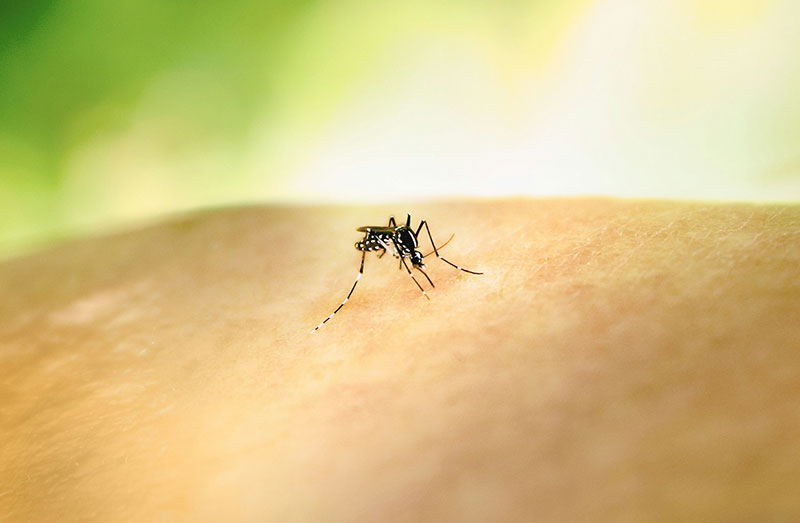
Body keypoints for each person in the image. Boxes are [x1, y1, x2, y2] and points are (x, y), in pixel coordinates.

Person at [1, 199, 798, 521]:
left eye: (409, 251)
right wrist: (380, 274)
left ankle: (430, 268)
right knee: (385, 266)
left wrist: (435, 263)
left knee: (424, 252)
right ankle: (367, 294)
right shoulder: (379, 245)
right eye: (408, 251)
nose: (405, 253)